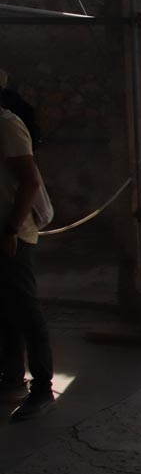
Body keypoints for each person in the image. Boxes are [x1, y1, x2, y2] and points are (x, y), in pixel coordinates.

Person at [0, 101, 54, 421]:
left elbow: (29, 181)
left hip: (11, 233)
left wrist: (10, 229)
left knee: (24, 309)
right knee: (4, 308)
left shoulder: (6, 125)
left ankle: (42, 388)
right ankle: (11, 376)